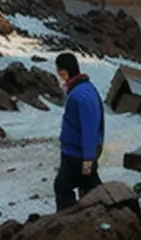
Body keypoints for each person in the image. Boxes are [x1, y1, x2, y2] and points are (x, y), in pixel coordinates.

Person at [54, 52, 105, 212]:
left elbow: (88, 129)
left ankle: (67, 221)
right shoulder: (87, 88)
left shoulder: (79, 95)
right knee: (90, 188)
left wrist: (88, 160)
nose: (60, 78)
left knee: (62, 187)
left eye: (59, 73)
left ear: (64, 72)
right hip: (81, 152)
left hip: (76, 154)